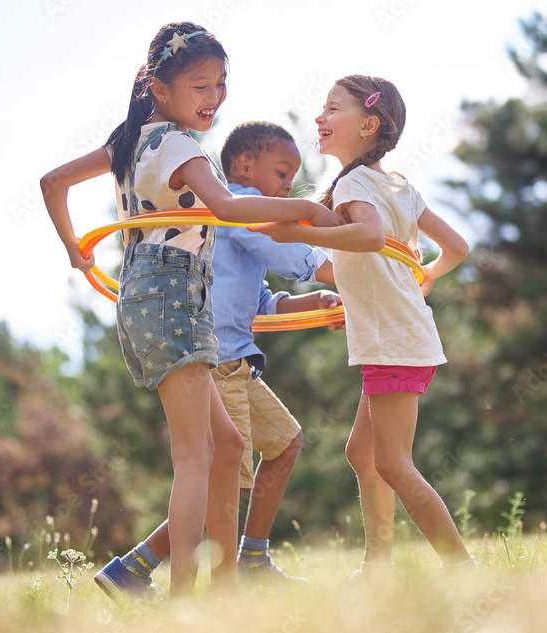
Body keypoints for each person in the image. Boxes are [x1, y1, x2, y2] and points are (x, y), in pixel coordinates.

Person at [40, 22, 344, 603]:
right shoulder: (179, 146)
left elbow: (54, 183)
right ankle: (185, 601)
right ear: (159, 88)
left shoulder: (128, 143)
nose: (214, 97)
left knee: (228, 447)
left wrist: (75, 251)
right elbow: (230, 207)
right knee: (195, 455)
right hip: (174, 300)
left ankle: (214, 583)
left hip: (154, 298)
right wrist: (309, 207)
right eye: (200, 85)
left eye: (221, 84)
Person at [252, 75, 476, 575]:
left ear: (368, 124)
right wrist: (428, 279)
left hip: (393, 341)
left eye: (332, 109)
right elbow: (457, 247)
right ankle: (378, 566)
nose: (319, 117)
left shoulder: (353, 184)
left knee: (393, 463)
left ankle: (461, 566)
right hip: (404, 334)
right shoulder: (398, 186)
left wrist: (258, 223)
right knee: (363, 453)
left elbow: (370, 237)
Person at [125, 121, 341, 583]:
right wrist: (346, 270)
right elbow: (290, 256)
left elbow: (260, 300)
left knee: (284, 443)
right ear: (244, 165)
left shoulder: (246, 225)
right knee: (229, 479)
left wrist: (315, 302)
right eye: (282, 173)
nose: (288, 186)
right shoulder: (240, 212)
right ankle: (138, 567)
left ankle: (254, 559)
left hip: (239, 359)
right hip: (217, 359)